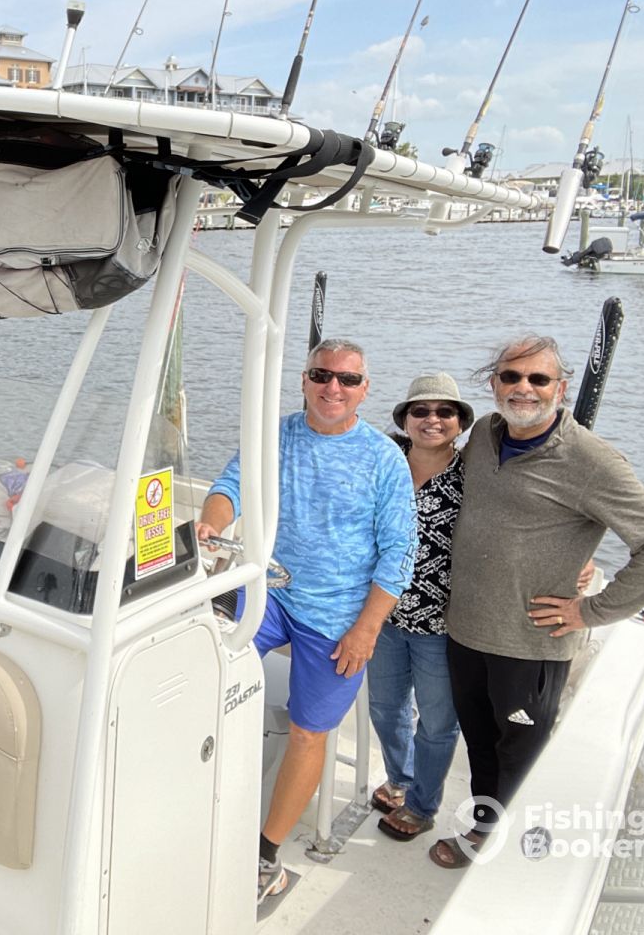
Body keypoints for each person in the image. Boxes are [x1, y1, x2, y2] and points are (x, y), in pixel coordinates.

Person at [431, 336, 644, 869]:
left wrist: (591, 610)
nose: (523, 388)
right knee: (479, 740)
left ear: (561, 388)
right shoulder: (484, 433)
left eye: (538, 379)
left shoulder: (592, 461)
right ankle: (486, 826)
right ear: (493, 384)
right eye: (511, 377)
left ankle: (512, 852)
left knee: (520, 754)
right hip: (466, 630)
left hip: (532, 643)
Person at [196, 338, 416, 903]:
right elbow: (231, 485)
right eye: (321, 375)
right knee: (197, 654)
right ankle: (199, 791)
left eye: (347, 379)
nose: (332, 387)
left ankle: (265, 854)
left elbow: (399, 554)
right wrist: (212, 523)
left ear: (365, 389)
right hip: (267, 590)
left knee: (308, 730)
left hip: (338, 613)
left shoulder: (385, 459)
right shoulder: (276, 435)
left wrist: (366, 629)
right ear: (303, 380)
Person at [366, 373, 472, 841]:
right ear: (405, 419)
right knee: (385, 708)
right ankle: (401, 778)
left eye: (445, 411)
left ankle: (423, 805)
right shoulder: (385, 463)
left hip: (442, 624)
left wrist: (578, 560)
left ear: (459, 422)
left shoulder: (474, 476)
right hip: (383, 614)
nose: (433, 419)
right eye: (421, 410)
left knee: (437, 722)